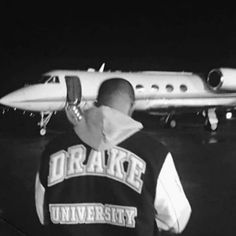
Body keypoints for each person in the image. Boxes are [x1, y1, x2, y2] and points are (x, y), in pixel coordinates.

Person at [35, 78, 191, 236]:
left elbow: (43, 214)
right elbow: (176, 220)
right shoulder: (154, 153)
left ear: (97, 103)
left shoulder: (53, 149)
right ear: (132, 107)